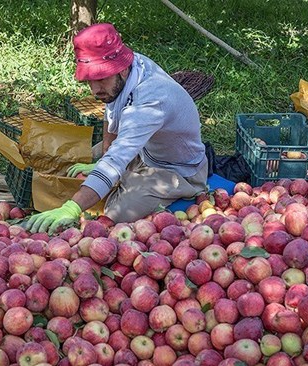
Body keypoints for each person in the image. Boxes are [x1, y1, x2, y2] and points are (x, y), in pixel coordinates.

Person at [28, 23, 208, 234]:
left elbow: (117, 158)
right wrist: (103, 156)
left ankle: (169, 189)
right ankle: (119, 178)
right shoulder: (130, 68)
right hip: (145, 149)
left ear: (121, 69)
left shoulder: (150, 101)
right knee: (85, 155)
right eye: (90, 81)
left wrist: (72, 207)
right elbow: (111, 111)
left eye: (101, 79)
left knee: (115, 214)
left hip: (175, 170)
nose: (95, 90)